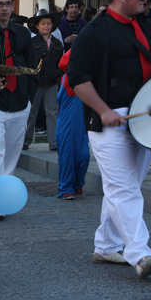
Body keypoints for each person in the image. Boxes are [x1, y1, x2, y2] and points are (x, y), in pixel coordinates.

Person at [67, 0, 151, 278]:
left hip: (146, 118)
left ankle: (106, 246)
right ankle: (140, 253)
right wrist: (104, 110)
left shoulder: (147, 26)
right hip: (109, 121)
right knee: (123, 188)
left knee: (126, 187)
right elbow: (77, 79)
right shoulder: (94, 32)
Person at [0, 0, 38, 219]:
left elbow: (32, 66)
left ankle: (4, 197)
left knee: (12, 153)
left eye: (8, 3)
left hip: (19, 103)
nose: (4, 8)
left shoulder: (23, 34)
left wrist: (28, 97)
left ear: (13, 6)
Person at [23, 9, 64, 152]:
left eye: (49, 23)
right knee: (31, 112)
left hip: (52, 82)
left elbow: (61, 63)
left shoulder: (58, 43)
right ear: (37, 26)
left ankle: (54, 143)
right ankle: (26, 141)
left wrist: (57, 74)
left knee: (52, 112)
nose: (46, 26)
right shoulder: (32, 42)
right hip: (36, 82)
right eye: (43, 24)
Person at [55, 49, 90, 200]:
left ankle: (77, 183)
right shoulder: (69, 78)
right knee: (67, 154)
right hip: (68, 119)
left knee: (84, 155)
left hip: (82, 119)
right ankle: (66, 188)